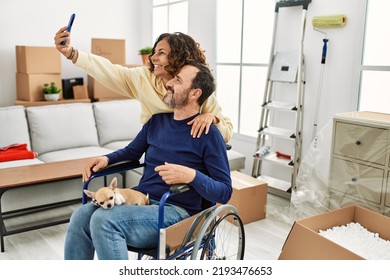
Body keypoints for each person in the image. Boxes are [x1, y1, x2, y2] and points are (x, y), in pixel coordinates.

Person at [64, 61, 232, 260]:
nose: (169, 82)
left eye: (178, 80)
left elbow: (224, 191)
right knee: (80, 217)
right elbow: (131, 152)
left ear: (195, 93)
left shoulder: (209, 134)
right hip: (141, 200)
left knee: (104, 220)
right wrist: (106, 158)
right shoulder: (156, 122)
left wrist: (191, 175)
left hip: (175, 211)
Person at [54, 28, 233, 142]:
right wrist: (71, 53)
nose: (153, 58)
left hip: (190, 155)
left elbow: (226, 132)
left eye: (161, 53)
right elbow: (109, 70)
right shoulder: (143, 79)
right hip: (159, 151)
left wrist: (212, 118)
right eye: (154, 52)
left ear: (178, 58)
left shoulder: (195, 88)